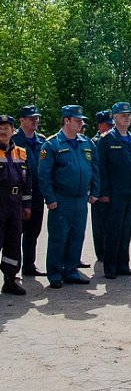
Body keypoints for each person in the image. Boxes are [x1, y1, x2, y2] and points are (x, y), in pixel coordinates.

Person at [38, 105, 100, 289]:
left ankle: (71, 270)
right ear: (66, 121)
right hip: (61, 198)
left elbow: (94, 168)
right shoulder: (52, 144)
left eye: (81, 120)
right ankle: (55, 273)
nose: (81, 123)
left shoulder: (86, 143)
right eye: (77, 120)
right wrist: (50, 198)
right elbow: (44, 174)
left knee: (76, 236)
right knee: (59, 237)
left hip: (81, 198)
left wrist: (95, 191)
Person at [96, 102, 131, 279]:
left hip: (129, 192)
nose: (127, 118)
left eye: (129, 115)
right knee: (113, 231)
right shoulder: (106, 139)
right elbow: (102, 168)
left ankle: (123, 264)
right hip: (114, 193)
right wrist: (104, 192)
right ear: (114, 118)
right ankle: (110, 267)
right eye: (123, 115)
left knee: (125, 230)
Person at [13, 105, 46, 276]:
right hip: (18, 194)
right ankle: (13, 270)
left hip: (38, 194)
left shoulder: (41, 140)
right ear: (22, 120)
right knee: (15, 234)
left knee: (33, 232)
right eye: (31, 118)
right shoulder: (14, 140)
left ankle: (29, 265)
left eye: (36, 118)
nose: (35, 121)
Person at [0, 115, 31, 295]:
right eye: (0, 128)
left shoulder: (21, 152)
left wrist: (26, 204)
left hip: (15, 202)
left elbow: (28, 181)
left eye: (6, 128)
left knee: (13, 243)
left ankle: (10, 280)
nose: (3, 132)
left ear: (13, 131)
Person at [90, 110, 114, 262]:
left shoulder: (113, 140)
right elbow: (95, 168)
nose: (111, 127)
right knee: (100, 223)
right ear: (100, 125)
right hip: (99, 189)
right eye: (108, 125)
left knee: (111, 222)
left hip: (112, 188)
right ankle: (101, 253)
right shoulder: (95, 142)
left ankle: (110, 251)